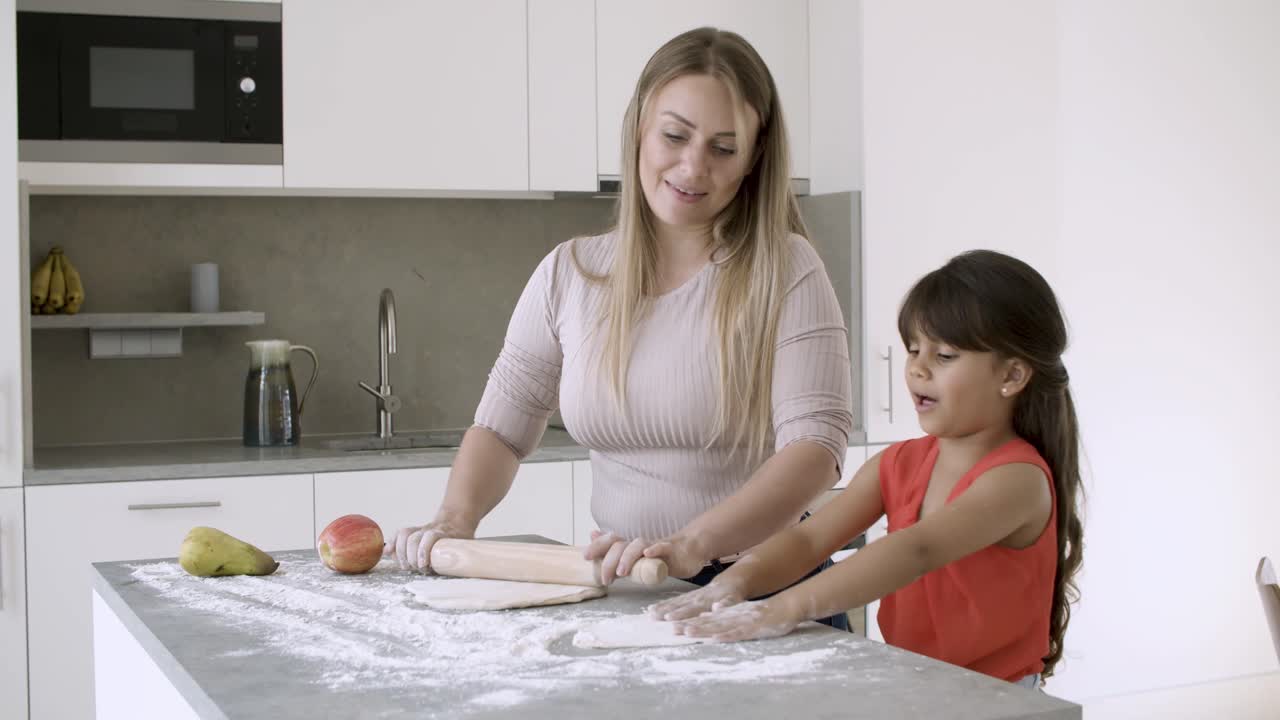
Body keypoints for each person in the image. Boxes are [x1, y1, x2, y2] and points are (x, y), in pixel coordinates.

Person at [385, 27, 854, 628]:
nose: (693, 166)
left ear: (754, 159)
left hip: (763, 591)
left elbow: (815, 449)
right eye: (675, 136)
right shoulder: (570, 274)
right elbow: (501, 429)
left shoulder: (785, 270)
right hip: (628, 592)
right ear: (638, 129)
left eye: (723, 148)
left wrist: (692, 544)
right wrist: (455, 519)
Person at [653, 250, 1085, 687]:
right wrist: (736, 581)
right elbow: (808, 540)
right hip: (917, 683)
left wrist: (784, 608)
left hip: (998, 697)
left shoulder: (1018, 480)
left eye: (945, 355)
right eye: (914, 350)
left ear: (1011, 376)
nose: (917, 368)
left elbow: (917, 550)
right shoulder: (897, 464)